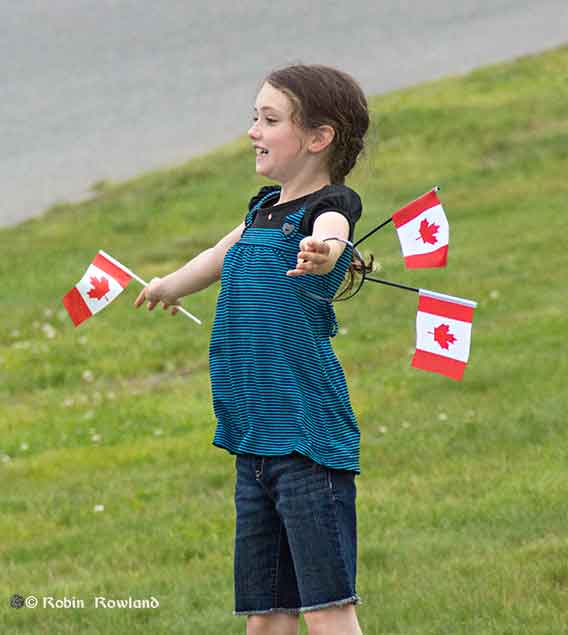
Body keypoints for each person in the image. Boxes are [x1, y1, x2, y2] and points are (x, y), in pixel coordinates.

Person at [135, 63, 369, 635]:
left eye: (269, 120)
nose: (253, 132)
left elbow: (336, 230)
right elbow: (219, 253)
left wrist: (326, 252)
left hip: (307, 442)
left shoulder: (326, 209)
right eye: (253, 118)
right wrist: (170, 284)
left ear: (319, 138)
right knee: (265, 617)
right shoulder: (262, 208)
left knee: (328, 611)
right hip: (255, 441)